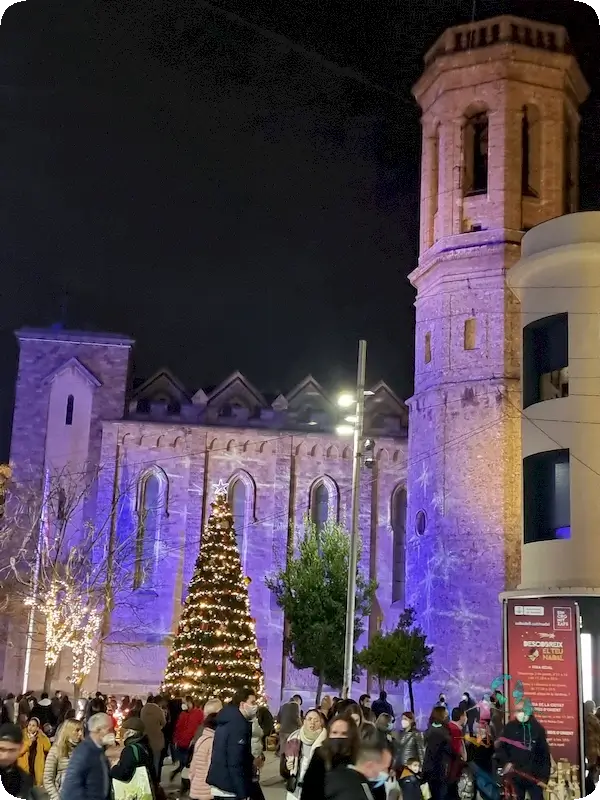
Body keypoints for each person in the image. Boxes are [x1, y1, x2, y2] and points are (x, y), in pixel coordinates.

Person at [206, 687, 257, 800]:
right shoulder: (238, 725)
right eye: (252, 702)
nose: (255, 706)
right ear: (242, 704)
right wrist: (242, 794)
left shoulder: (228, 718)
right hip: (230, 788)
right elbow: (235, 762)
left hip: (220, 783)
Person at [300, 714, 360, 800]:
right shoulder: (320, 755)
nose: (338, 737)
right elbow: (309, 790)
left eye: (344, 733)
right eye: (335, 733)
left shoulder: (359, 758)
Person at [494, 709, 551, 800]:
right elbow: (501, 749)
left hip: (534, 777)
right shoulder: (509, 728)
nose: (521, 713)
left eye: (523, 710)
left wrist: (544, 778)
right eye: (518, 711)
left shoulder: (538, 729)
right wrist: (505, 763)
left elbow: (544, 755)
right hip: (515, 776)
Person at [324, 727, 393, 800]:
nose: (386, 773)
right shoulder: (361, 794)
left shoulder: (330, 776)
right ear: (369, 766)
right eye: (385, 768)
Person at [60, 712, 115, 800]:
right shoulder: (84, 752)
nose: (112, 733)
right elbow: (71, 786)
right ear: (99, 730)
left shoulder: (98, 749)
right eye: (109, 729)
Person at [285, 708, 326, 798]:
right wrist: (288, 765)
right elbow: (284, 765)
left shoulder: (325, 742)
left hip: (314, 790)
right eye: (309, 719)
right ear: (304, 721)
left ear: (321, 723)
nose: (312, 723)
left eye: (316, 720)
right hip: (294, 787)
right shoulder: (294, 738)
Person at [110, 716, 157, 791]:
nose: (123, 735)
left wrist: (113, 768)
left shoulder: (130, 749)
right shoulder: (145, 746)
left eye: (124, 731)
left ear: (131, 732)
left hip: (136, 791)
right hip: (148, 789)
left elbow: (124, 774)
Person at [43, 718, 83, 800]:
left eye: (82, 730)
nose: (80, 733)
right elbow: (48, 779)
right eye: (77, 730)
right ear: (68, 731)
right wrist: (56, 798)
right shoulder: (56, 751)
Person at [172, 696, 204, 784]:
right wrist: (176, 740)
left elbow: (200, 727)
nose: (182, 704)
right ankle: (183, 782)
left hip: (191, 744)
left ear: (189, 702)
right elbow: (178, 728)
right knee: (183, 764)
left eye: (184, 702)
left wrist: (194, 739)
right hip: (181, 743)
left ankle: (185, 784)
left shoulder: (198, 713)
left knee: (187, 765)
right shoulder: (183, 714)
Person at [423, 707, 452, 800]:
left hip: (428, 767)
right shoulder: (443, 733)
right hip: (439, 768)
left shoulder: (429, 730)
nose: (448, 717)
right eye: (446, 715)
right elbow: (448, 750)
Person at [189, 712, 218, 800]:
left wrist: (193, 780)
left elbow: (193, 766)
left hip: (196, 786)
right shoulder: (213, 742)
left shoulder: (201, 739)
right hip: (207, 790)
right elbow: (212, 768)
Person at [17, 717, 51, 786]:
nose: (30, 727)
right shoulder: (22, 735)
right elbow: (19, 752)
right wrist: (29, 742)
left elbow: (47, 748)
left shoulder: (40, 737)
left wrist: (43, 736)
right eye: (29, 724)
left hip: (36, 769)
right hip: (24, 769)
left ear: (37, 727)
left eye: (33, 725)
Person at [140, 695, 166, 779]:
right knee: (156, 761)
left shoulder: (143, 709)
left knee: (147, 761)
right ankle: (155, 780)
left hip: (145, 739)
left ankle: (147, 779)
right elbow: (164, 723)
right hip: (156, 740)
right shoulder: (158, 710)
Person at [277, 695, 303, 779]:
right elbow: (297, 718)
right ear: (298, 700)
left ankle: (282, 771)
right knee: (291, 753)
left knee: (283, 752)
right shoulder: (296, 705)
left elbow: (278, 719)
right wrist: (302, 727)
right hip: (291, 732)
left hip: (282, 731)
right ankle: (288, 772)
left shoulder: (283, 706)